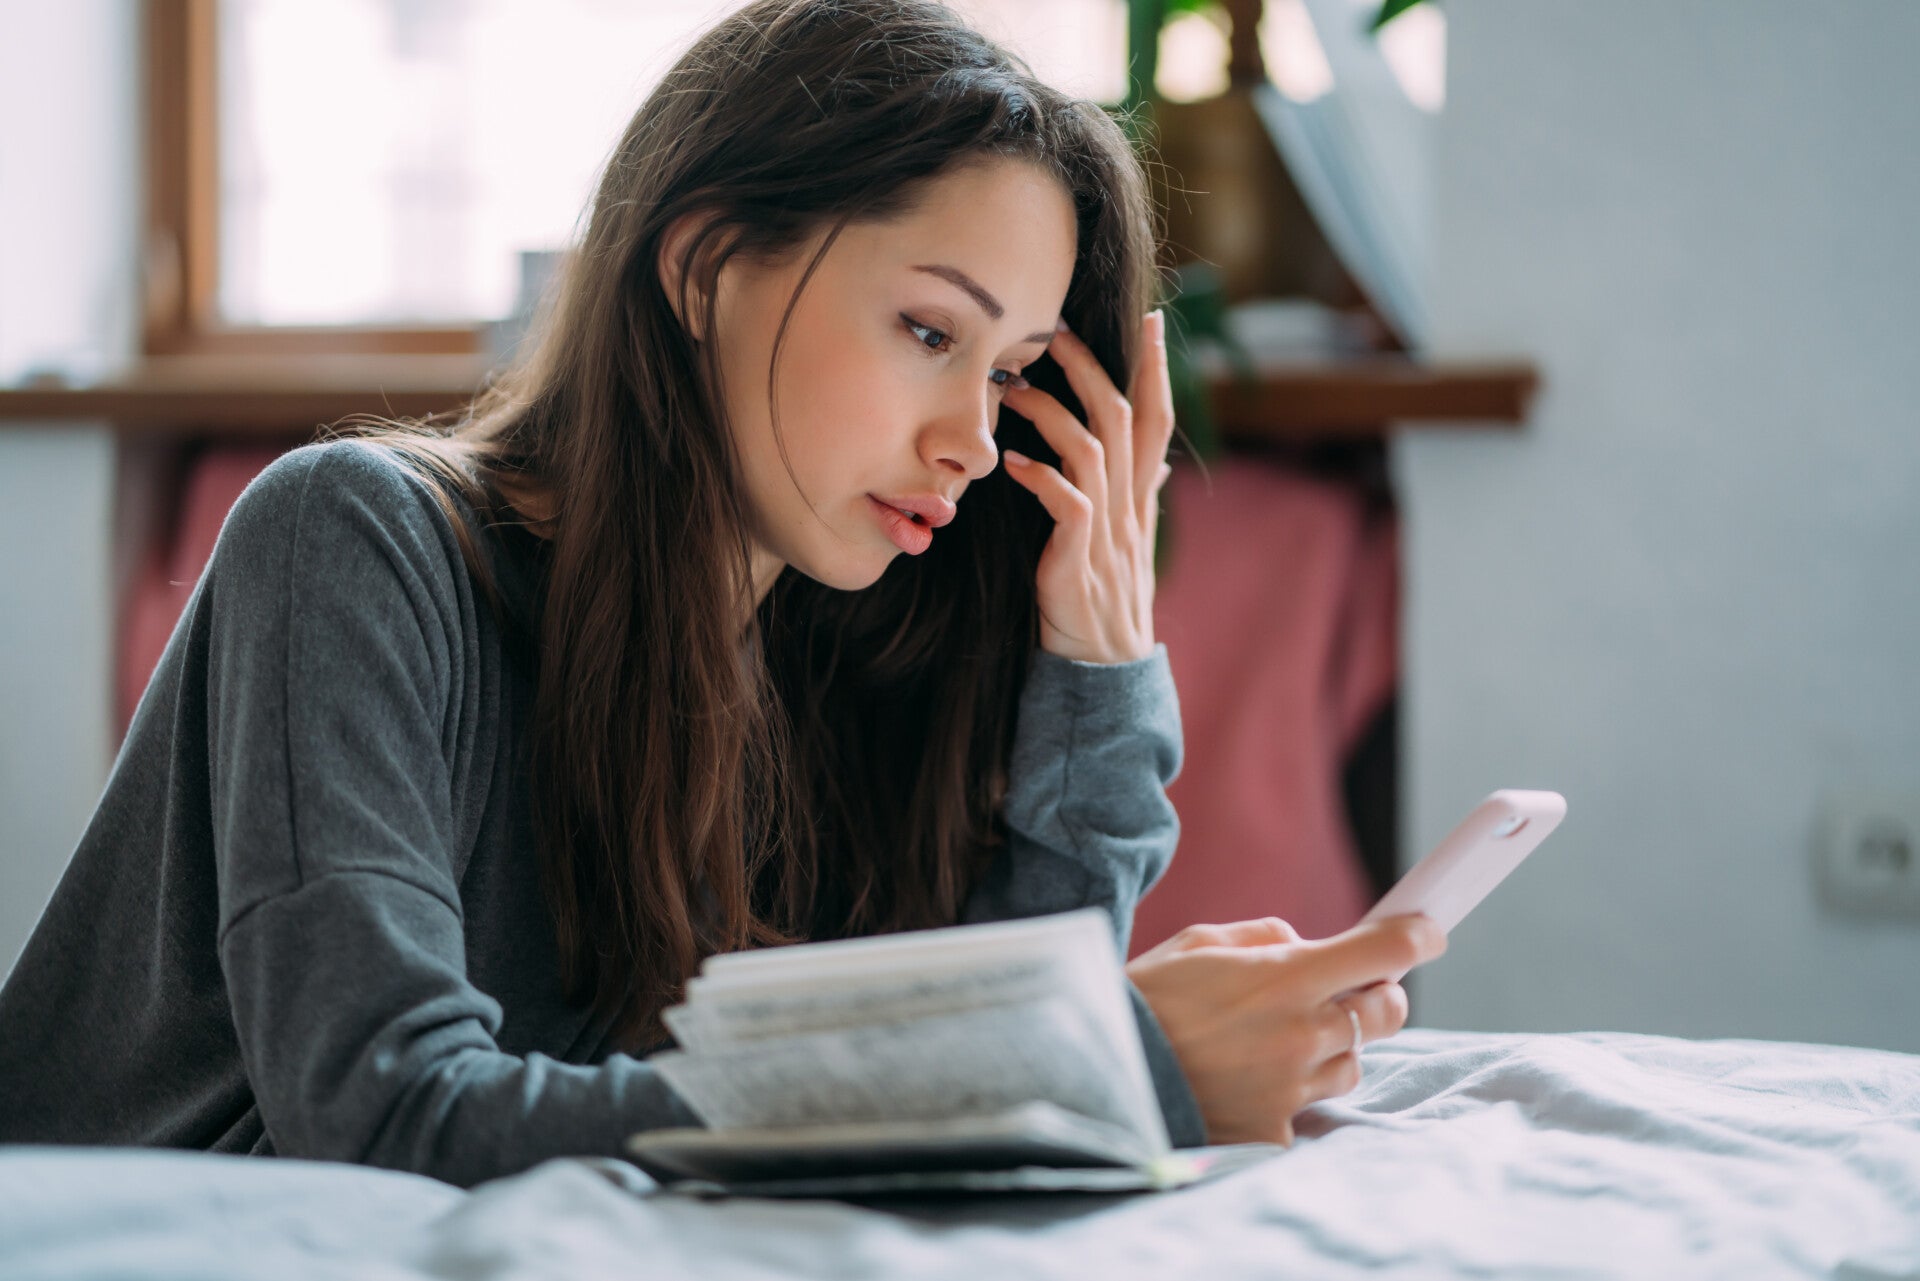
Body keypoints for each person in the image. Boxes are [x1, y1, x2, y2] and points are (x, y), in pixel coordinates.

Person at [0, 0, 1442, 1188]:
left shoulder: (835, 636)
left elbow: (976, 1048)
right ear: (700, 264)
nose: (975, 440)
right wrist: (1126, 1066)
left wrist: (1101, 665)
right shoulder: (351, 544)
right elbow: (384, 1113)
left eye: (1008, 375)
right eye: (928, 328)